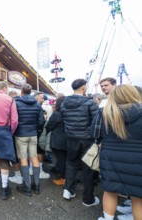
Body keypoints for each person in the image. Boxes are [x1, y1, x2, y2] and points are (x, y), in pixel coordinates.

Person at [95, 85, 142, 220]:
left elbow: (94, 134)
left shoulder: (104, 112)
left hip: (110, 158)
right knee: (138, 196)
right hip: (138, 159)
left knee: (110, 191)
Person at [61, 78, 99, 206]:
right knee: (87, 167)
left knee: (71, 164)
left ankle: (68, 190)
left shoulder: (64, 102)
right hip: (87, 139)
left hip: (71, 138)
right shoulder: (90, 103)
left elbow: (64, 119)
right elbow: (96, 122)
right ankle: (88, 199)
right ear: (83, 88)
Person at [14, 83, 45, 196]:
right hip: (33, 134)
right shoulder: (37, 104)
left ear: (21, 92)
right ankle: (36, 186)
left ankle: (27, 187)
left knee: (23, 159)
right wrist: (37, 132)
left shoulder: (16, 103)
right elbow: (41, 121)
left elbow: (13, 120)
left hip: (21, 134)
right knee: (34, 157)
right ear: (30, 92)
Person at [45, 96, 67, 186]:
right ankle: (68, 177)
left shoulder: (57, 114)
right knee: (67, 160)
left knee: (61, 160)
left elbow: (49, 125)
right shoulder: (70, 113)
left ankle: (63, 179)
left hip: (59, 141)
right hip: (69, 140)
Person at [33, 92, 50, 179]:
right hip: (39, 132)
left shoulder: (33, 106)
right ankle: (39, 171)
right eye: (41, 98)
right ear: (36, 98)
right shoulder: (40, 107)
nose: (43, 99)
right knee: (39, 151)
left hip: (31, 132)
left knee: (33, 151)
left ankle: (32, 169)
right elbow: (41, 121)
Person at [8, 90, 23, 185]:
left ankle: (18, 176)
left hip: (15, 132)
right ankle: (25, 176)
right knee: (24, 155)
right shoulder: (25, 102)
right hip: (27, 133)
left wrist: (11, 131)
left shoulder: (12, 104)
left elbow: (13, 121)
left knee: (16, 156)